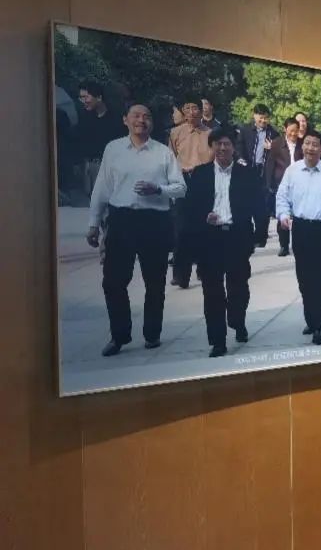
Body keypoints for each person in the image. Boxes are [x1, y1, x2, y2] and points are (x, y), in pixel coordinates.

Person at [86, 104, 186, 356]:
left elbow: (181, 188)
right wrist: (93, 223)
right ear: (125, 120)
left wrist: (158, 189)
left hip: (154, 222)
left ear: (152, 123)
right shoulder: (113, 149)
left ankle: (152, 333)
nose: (142, 120)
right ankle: (119, 335)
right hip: (121, 220)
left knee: (155, 283)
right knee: (113, 282)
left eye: (147, 116)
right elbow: (102, 187)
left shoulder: (163, 152)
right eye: (136, 116)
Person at [183, 126, 264, 357]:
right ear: (212, 147)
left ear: (233, 147)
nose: (222, 148)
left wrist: (259, 235)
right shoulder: (200, 174)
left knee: (239, 287)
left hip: (237, 237)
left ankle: (237, 320)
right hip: (210, 239)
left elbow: (259, 205)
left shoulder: (246, 174)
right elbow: (189, 208)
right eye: (217, 144)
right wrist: (203, 217)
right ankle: (217, 341)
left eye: (226, 144)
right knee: (212, 292)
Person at [275, 133, 321, 345]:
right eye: (307, 143)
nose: (310, 148)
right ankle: (311, 317)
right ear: (302, 147)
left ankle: (318, 325)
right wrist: (283, 215)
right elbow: (282, 197)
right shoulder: (292, 171)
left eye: (315, 145)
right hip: (301, 229)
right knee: (304, 279)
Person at [168, 97, 213, 288]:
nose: (192, 112)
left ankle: (204, 269)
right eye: (187, 108)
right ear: (183, 112)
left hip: (204, 180)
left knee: (205, 228)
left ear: (201, 111)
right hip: (183, 180)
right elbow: (171, 158)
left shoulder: (210, 133)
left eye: (195, 108)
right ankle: (180, 274)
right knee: (181, 229)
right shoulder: (175, 133)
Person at [235, 103, 280, 246]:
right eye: (261, 117)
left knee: (263, 207)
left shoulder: (273, 133)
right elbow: (238, 147)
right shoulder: (245, 130)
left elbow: (278, 153)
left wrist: (271, 148)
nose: (263, 121)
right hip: (248, 170)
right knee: (247, 204)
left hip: (264, 172)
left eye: (266, 118)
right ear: (254, 116)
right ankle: (247, 235)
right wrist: (240, 159)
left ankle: (261, 237)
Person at [77, 80, 126, 197]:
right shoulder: (85, 117)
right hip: (89, 166)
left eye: (86, 97)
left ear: (99, 97)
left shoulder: (116, 118)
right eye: (81, 98)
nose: (83, 101)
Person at [264, 118, 304, 256]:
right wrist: (269, 184)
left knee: (299, 215)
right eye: (291, 130)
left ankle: (298, 244)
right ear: (285, 129)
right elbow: (270, 164)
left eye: (296, 131)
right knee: (283, 214)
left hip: (300, 184)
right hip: (282, 183)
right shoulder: (277, 143)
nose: (293, 134)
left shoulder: (302, 144)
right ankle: (284, 245)